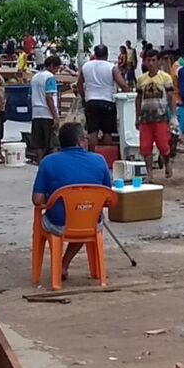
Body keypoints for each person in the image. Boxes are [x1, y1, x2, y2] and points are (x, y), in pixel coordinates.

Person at [31, 122, 113, 279]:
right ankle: (64, 263)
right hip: (89, 223)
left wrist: (53, 196)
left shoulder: (48, 162)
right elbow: (108, 197)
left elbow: (37, 200)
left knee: (54, 219)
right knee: (85, 217)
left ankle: (60, 265)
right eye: (87, 138)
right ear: (80, 141)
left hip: (58, 223)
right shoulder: (99, 160)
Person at [77, 44, 130, 150]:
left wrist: (84, 97)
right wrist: (129, 93)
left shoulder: (86, 66)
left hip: (91, 101)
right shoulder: (111, 67)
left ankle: (92, 155)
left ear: (95, 54)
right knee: (107, 131)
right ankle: (105, 156)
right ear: (107, 54)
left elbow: (79, 84)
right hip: (107, 102)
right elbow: (122, 84)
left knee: (92, 131)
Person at [136, 50, 177, 180]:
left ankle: (167, 162)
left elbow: (171, 97)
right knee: (145, 147)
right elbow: (138, 98)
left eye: (154, 60)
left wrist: (174, 116)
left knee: (163, 144)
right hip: (145, 118)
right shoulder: (141, 79)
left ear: (159, 61)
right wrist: (137, 116)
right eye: (149, 60)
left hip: (161, 117)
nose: (151, 63)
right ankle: (149, 174)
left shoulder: (165, 78)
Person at [31, 55, 63, 162]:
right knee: (52, 143)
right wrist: (55, 116)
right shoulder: (50, 78)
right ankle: (54, 164)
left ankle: (41, 164)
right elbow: (49, 97)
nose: (56, 72)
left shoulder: (34, 77)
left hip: (36, 113)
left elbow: (29, 97)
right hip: (47, 113)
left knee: (38, 144)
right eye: (57, 68)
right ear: (52, 65)